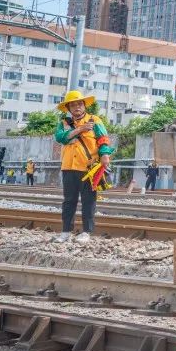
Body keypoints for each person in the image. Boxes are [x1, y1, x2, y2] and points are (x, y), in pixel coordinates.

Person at [54, 90, 113, 244]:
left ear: (84, 105)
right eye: (73, 105)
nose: (77, 107)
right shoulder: (64, 123)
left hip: (88, 168)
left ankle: (86, 232)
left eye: (79, 103)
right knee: (69, 200)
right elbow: (60, 137)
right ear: (68, 108)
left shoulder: (95, 120)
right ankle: (66, 231)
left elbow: (103, 139)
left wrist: (105, 154)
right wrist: (80, 129)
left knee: (89, 201)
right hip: (68, 166)